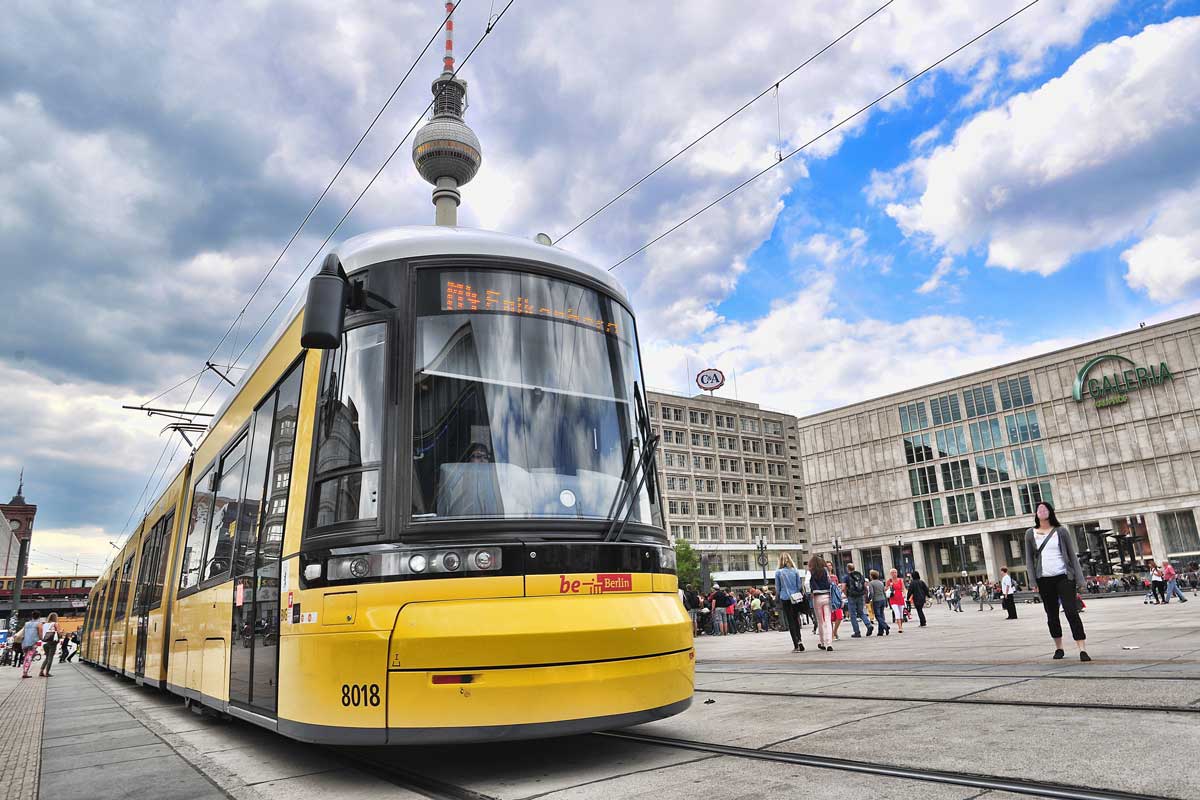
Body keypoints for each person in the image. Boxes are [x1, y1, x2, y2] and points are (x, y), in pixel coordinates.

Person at [1024, 502, 1090, 662]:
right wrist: (1032, 581)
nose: (1042, 511)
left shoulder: (1061, 531)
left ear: (1050, 512)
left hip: (1064, 577)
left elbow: (1072, 556)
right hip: (1044, 579)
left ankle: (1082, 648)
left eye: (1045, 508)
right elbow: (1029, 560)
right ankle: (1059, 647)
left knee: (1071, 612)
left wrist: (1080, 579)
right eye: (1039, 509)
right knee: (1052, 614)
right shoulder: (1030, 534)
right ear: (1036, 514)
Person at [774, 554, 805, 652]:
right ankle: (800, 640)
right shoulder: (795, 571)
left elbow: (778, 588)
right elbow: (799, 586)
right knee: (796, 619)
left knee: (790, 621)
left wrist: (777, 597)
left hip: (785, 598)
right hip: (795, 598)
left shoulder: (779, 572)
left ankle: (796, 645)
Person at [841, 562, 874, 637]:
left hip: (851, 596)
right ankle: (868, 625)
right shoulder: (860, 575)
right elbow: (865, 585)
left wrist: (846, 594)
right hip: (860, 595)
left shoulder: (846, 577)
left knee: (852, 615)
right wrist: (865, 594)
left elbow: (843, 588)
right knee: (861, 612)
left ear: (847, 569)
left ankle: (857, 632)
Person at [808, 556, 833, 651]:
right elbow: (829, 581)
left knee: (820, 621)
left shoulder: (811, 572)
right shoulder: (825, 570)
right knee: (828, 620)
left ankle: (822, 642)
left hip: (817, 596)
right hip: (827, 595)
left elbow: (807, 584)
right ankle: (829, 643)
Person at [868, 569, 890, 636]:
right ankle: (881, 631)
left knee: (877, 616)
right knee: (881, 615)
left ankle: (885, 626)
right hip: (882, 599)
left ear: (871, 576)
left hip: (876, 600)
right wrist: (886, 601)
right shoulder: (880, 582)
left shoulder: (871, 583)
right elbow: (884, 592)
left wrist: (869, 599)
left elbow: (871, 592)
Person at [20, 614, 43, 678]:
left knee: (26, 657)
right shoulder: (39, 624)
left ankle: (24, 671)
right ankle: (25, 673)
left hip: (24, 643)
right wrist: (42, 638)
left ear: (32, 616)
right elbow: (40, 634)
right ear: (39, 617)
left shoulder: (26, 623)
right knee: (29, 658)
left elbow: (24, 632)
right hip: (32, 643)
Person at [39, 612, 59, 677]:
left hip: (45, 643)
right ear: (55, 618)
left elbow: (42, 634)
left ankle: (41, 671)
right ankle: (47, 672)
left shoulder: (44, 624)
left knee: (47, 657)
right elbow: (58, 632)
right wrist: (61, 632)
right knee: (50, 658)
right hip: (52, 643)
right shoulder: (55, 624)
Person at [886, 568, 905, 633]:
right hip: (893, 598)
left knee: (901, 614)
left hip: (900, 598)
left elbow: (903, 588)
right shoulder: (889, 581)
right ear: (890, 574)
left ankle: (901, 626)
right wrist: (889, 587)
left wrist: (904, 595)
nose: (894, 574)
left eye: (895, 572)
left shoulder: (900, 580)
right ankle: (899, 627)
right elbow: (885, 589)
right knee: (897, 612)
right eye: (892, 572)